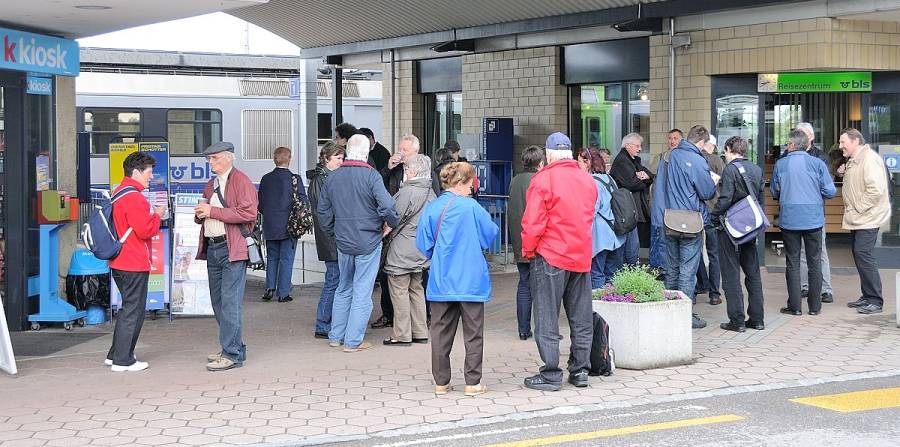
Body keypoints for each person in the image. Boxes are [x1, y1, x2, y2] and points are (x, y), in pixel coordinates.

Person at [521, 132, 597, 391]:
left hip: (551, 254)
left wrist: (528, 250)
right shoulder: (587, 180)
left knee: (546, 316)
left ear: (549, 154)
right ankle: (580, 371)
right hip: (581, 254)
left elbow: (533, 222)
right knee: (581, 316)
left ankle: (551, 373)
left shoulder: (543, 179)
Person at [417, 162, 498, 397]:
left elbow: (423, 244)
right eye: (472, 181)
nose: (474, 186)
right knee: (473, 333)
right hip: (471, 280)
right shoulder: (471, 208)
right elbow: (490, 233)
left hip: (441, 279)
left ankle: (441, 382)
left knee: (440, 333)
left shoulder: (433, 208)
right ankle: (472, 382)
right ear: (463, 182)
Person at [317, 134, 400, 352]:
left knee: (343, 289)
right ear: (365, 153)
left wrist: (333, 233)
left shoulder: (333, 177)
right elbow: (388, 207)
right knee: (362, 292)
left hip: (343, 242)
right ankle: (353, 341)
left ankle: (336, 336)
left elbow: (322, 212)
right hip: (368, 241)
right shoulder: (371, 176)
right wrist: (390, 224)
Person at [194, 141, 259, 371]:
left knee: (230, 303)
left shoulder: (241, 181)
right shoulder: (212, 184)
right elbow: (209, 213)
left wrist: (212, 211)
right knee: (219, 302)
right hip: (213, 248)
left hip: (232, 249)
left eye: (215, 158)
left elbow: (248, 213)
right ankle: (233, 347)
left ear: (229, 158)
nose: (211, 163)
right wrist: (201, 214)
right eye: (209, 159)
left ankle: (231, 354)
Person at [373, 134, 439, 330]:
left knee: (414, 281)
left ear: (416, 152)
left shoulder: (427, 174)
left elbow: (432, 201)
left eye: (405, 150)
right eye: (400, 149)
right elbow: (377, 186)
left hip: (409, 233)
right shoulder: (394, 171)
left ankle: (417, 322)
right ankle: (389, 315)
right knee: (390, 279)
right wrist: (388, 168)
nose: (401, 153)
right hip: (397, 236)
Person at [105, 152, 164, 372]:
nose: (151, 176)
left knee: (128, 308)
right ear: (137, 172)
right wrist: (158, 215)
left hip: (119, 260)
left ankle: (115, 354)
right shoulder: (135, 197)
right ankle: (123, 360)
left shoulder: (119, 191)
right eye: (149, 171)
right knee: (134, 310)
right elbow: (145, 229)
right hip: (133, 261)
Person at [654, 125, 717, 329]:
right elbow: (707, 191)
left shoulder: (667, 157)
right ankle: (684, 316)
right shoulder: (698, 160)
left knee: (671, 268)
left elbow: (659, 189)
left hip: (668, 219)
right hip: (690, 221)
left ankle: (669, 311)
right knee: (687, 271)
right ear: (701, 141)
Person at [770, 130, 836, 316]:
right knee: (815, 262)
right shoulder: (818, 164)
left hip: (790, 219)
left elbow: (775, 191)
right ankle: (815, 307)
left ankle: (795, 306)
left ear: (791, 145)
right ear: (807, 145)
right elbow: (830, 192)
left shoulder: (780, 164)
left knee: (792, 262)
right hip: (813, 218)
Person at [710, 137, 765, 332]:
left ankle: (737, 320)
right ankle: (757, 319)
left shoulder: (730, 170)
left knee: (731, 274)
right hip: (750, 228)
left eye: (725, 151)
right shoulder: (757, 169)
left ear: (729, 149)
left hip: (731, 229)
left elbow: (725, 199)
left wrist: (713, 216)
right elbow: (759, 199)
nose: (724, 155)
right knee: (753, 273)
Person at [383, 154, 436, 346]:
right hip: (421, 250)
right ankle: (420, 331)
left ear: (412, 172)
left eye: (406, 169)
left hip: (402, 251)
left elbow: (392, 217)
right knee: (416, 289)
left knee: (399, 291)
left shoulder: (407, 193)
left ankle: (402, 334)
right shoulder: (431, 193)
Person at [840, 128, 892, 314]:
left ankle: (875, 300)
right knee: (859, 254)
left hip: (868, 217)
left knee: (863, 254)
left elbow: (876, 190)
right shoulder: (856, 159)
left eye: (843, 142)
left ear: (855, 141)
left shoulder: (869, 159)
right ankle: (868, 296)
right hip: (860, 217)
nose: (840, 146)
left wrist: (859, 207)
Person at [258, 146, 308, 303]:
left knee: (272, 257)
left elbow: (260, 204)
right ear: (289, 159)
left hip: (270, 225)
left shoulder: (266, 178)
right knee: (286, 258)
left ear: (274, 159)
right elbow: (303, 201)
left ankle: (269, 288)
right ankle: (283, 293)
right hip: (289, 226)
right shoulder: (295, 179)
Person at [307, 142, 345, 338]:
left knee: (335, 280)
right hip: (331, 239)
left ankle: (328, 321)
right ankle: (323, 323)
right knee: (333, 280)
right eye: (338, 158)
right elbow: (323, 214)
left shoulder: (324, 178)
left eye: (342, 157)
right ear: (326, 159)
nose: (342, 161)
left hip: (331, 238)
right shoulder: (321, 180)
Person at [507, 145, 546, 341]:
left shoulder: (515, 180)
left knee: (524, 283)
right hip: (538, 241)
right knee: (542, 287)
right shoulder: (540, 180)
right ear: (540, 162)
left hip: (519, 239)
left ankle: (523, 329)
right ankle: (543, 330)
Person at [795, 123, 835, 304]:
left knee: (820, 251)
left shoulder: (821, 157)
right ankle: (805, 287)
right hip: (797, 211)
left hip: (815, 212)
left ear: (810, 136)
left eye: (801, 133)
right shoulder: (789, 155)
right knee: (802, 252)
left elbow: (828, 186)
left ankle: (825, 289)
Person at [584, 147, 625, 288]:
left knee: (596, 274)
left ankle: (597, 309)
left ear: (588, 163)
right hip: (615, 234)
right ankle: (610, 306)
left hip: (600, 237)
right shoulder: (609, 178)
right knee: (611, 274)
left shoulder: (592, 182)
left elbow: (591, 211)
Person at [610, 133, 653, 266]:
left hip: (632, 208)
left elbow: (651, 175)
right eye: (637, 146)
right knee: (630, 245)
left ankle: (629, 268)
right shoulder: (623, 160)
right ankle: (629, 269)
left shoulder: (634, 160)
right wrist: (643, 179)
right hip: (625, 209)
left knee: (632, 243)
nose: (640, 149)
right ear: (627, 145)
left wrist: (644, 177)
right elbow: (632, 183)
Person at [648, 129, 682, 277]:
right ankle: (663, 270)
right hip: (662, 208)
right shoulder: (660, 158)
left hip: (679, 211)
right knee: (662, 241)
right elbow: (651, 176)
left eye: (675, 138)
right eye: (670, 138)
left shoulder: (684, 158)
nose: (672, 141)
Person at [695, 134, 724, 306]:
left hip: (695, 212)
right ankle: (714, 293)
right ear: (711, 146)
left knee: (694, 251)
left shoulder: (693, 158)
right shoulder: (717, 161)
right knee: (714, 254)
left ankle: (699, 285)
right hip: (713, 211)